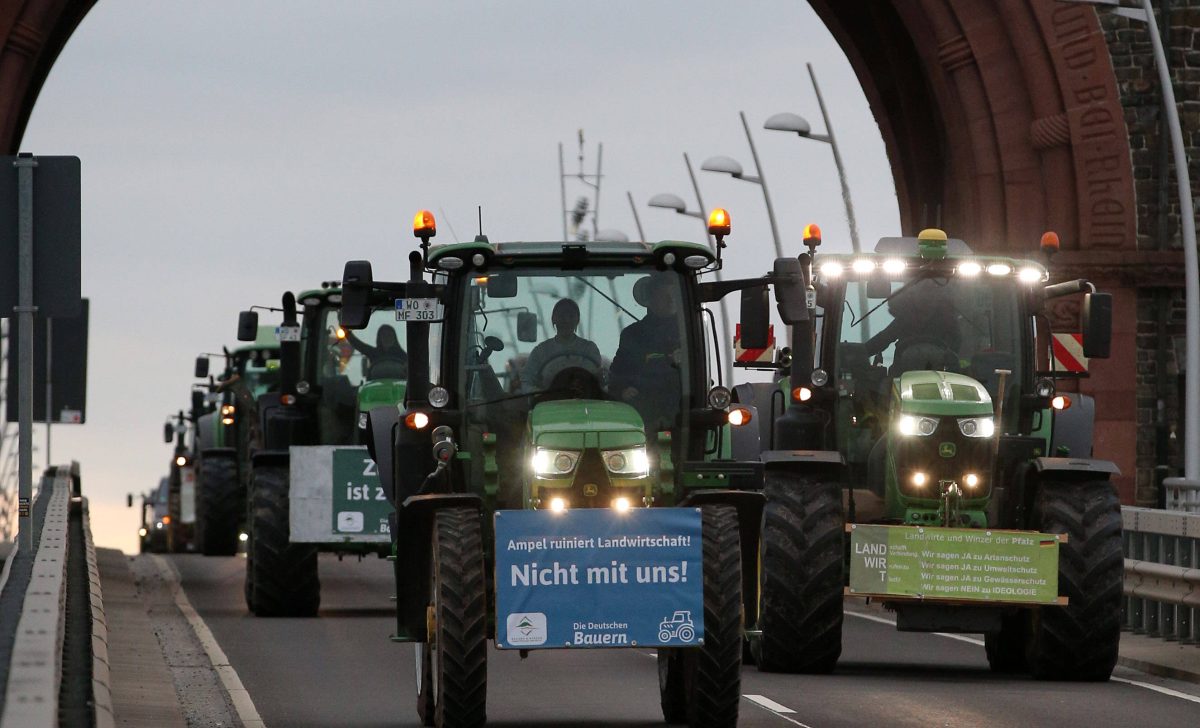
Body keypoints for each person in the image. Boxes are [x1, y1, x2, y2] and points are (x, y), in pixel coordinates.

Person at [609, 275, 682, 430]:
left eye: (674, 295)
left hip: (682, 414)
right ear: (650, 299)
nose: (670, 300)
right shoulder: (633, 335)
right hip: (642, 415)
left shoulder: (689, 332)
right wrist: (623, 390)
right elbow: (617, 373)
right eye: (664, 296)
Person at [521, 299, 602, 390]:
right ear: (554, 319)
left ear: (577, 320)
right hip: (549, 398)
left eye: (571, 316)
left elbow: (593, 376)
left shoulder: (589, 349)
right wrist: (535, 392)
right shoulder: (540, 351)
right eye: (561, 316)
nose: (566, 320)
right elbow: (526, 378)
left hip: (585, 397)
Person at [345, 325, 409, 380]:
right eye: (384, 336)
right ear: (379, 338)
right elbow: (357, 344)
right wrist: (345, 330)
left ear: (394, 338)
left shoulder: (403, 356)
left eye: (389, 335)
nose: (387, 338)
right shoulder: (373, 353)